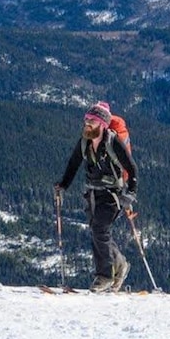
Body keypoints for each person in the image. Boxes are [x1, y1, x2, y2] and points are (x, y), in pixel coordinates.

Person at [56, 102, 138, 293]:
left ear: (102, 123)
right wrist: (63, 184)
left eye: (92, 121)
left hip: (112, 194)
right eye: (86, 120)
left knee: (100, 229)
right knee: (97, 231)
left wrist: (130, 193)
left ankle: (105, 276)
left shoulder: (112, 142)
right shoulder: (85, 141)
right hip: (92, 193)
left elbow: (132, 168)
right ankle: (120, 264)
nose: (87, 124)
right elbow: (73, 163)